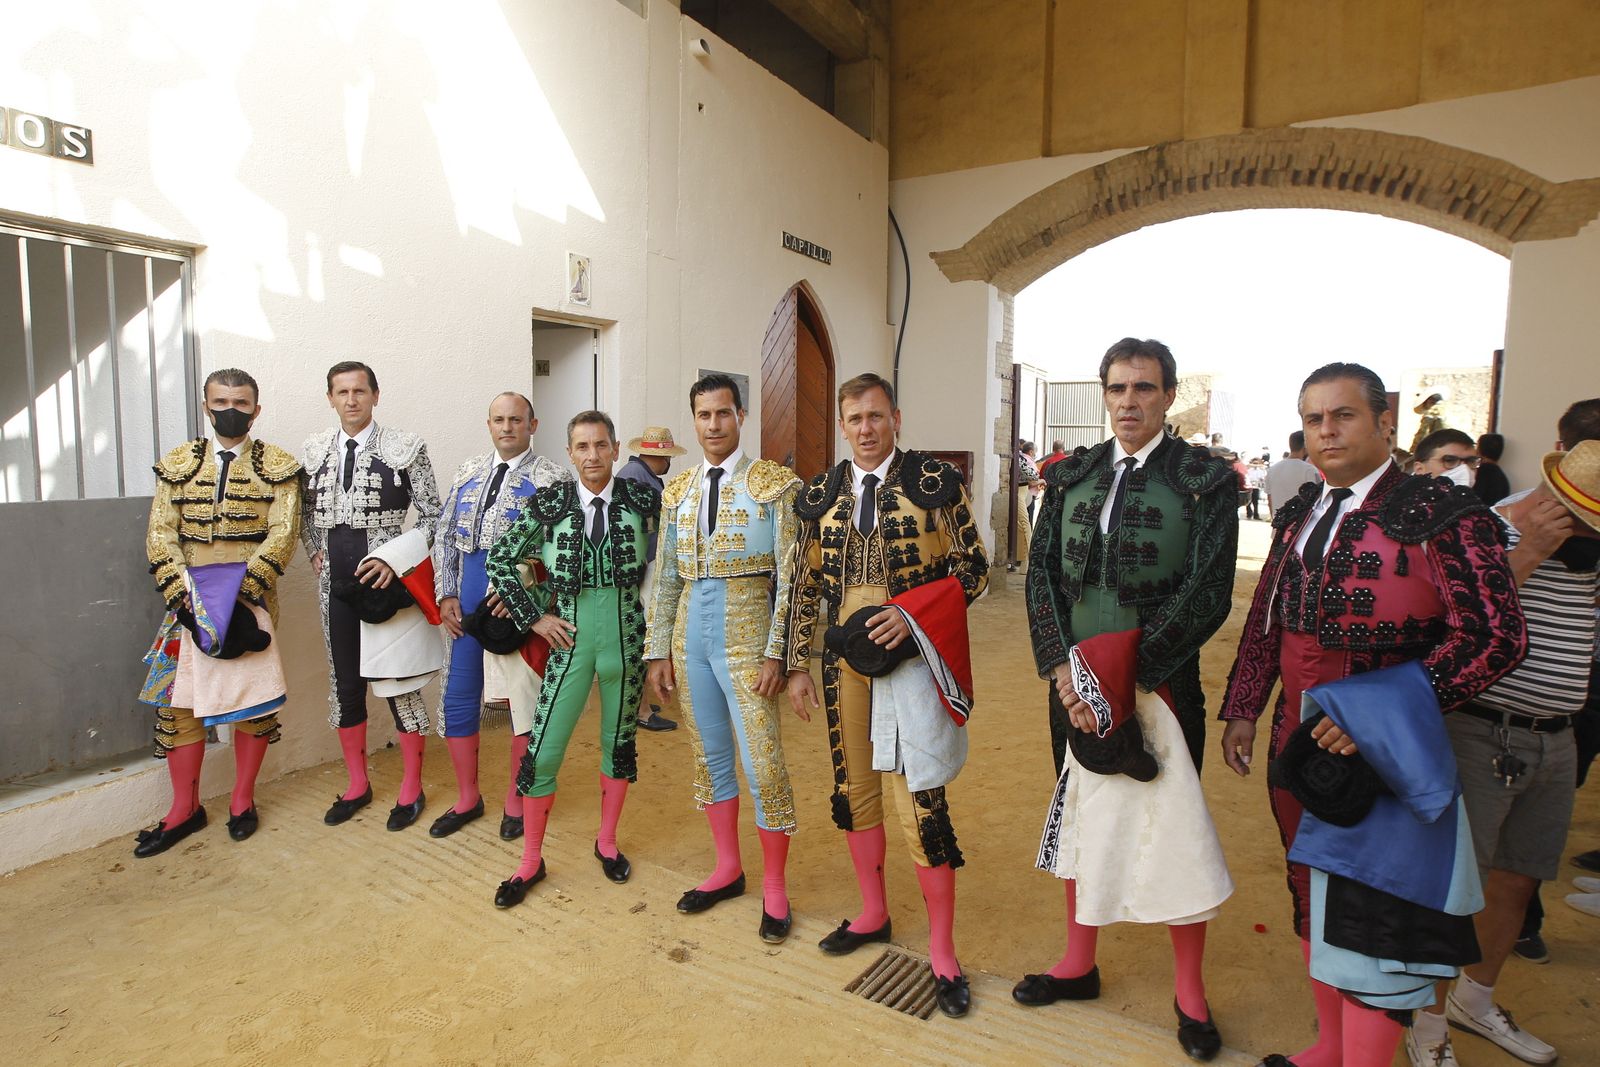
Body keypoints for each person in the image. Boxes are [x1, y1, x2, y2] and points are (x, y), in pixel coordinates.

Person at [1219, 362, 1526, 1067]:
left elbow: (1495, 634)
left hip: (1385, 757)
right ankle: (1331, 1046)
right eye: (1314, 417)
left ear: (1385, 422)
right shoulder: (1299, 511)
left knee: (1376, 915)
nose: (1326, 429)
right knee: (1309, 887)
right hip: (1296, 742)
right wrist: (1243, 707)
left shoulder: (1442, 511)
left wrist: (1380, 718)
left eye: (1343, 414)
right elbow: (1270, 621)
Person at [1018, 337, 1239, 1060]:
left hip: (1162, 683)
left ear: (1170, 395)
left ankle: (1190, 992)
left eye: (1144, 388)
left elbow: (1207, 593)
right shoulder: (1071, 473)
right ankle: (1079, 961)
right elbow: (1042, 578)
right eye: (1117, 389)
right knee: (1080, 816)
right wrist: (1063, 672)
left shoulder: (1206, 479)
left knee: (1173, 829)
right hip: (1073, 686)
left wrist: (1121, 677)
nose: (1129, 402)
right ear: (1105, 393)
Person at [786, 372, 989, 1018]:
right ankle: (873, 911)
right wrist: (793, 663)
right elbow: (801, 586)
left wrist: (913, 615)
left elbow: (973, 569)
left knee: (921, 799)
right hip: (843, 662)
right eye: (855, 418)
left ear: (895, 416)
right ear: (842, 424)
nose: (866, 428)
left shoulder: (934, 484)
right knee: (855, 790)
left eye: (876, 415)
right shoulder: (819, 496)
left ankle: (942, 951)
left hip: (912, 661)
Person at [1407, 415, 1600, 1067]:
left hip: (1557, 738)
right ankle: (1427, 1025)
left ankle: (1475, 1000)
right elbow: (1448, 622)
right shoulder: (1496, 523)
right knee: (1454, 887)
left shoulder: (1594, 547)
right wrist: (1526, 556)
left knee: (1518, 883)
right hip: (1484, 731)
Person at [645, 374, 804, 943]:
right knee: (710, 758)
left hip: (748, 633)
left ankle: (777, 888)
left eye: (722, 414)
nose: (713, 425)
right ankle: (727, 869)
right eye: (703, 415)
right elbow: (665, 575)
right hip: (690, 635)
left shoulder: (773, 485)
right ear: (694, 420)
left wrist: (778, 652)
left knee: (763, 761)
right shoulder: (679, 489)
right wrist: (657, 648)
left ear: (741, 416)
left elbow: (792, 576)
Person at [483, 410, 658, 908]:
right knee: (543, 749)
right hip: (571, 641)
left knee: (618, 746)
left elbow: (670, 561)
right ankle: (530, 861)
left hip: (626, 643)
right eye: (582, 447)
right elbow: (500, 559)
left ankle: (607, 842)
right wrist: (536, 619)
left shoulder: (643, 500)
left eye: (601, 445)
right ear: (570, 452)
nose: (593, 456)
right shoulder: (551, 503)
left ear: (616, 448)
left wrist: (660, 638)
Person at [135, 368, 302, 856]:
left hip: (250, 600)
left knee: (252, 703)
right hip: (184, 603)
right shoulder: (179, 463)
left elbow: (283, 532)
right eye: (221, 400)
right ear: (206, 407)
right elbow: (160, 530)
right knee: (177, 705)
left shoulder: (279, 465)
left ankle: (241, 801)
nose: (232, 408)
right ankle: (182, 809)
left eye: (242, 401)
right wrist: (181, 589)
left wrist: (238, 591)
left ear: (256, 408)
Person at [301, 361, 442, 830]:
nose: (351, 399)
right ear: (330, 399)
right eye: (342, 392)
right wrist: (314, 551)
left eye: (360, 391)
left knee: (399, 687)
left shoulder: (406, 448)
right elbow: (301, 509)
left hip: (385, 585)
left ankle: (412, 786)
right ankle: (358, 784)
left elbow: (432, 518)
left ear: (375, 395)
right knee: (346, 687)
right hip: (333, 588)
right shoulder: (315, 451)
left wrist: (394, 560)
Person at [428, 392, 569, 840]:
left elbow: (562, 549)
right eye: (499, 420)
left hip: (512, 607)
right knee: (458, 696)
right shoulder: (469, 471)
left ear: (533, 424)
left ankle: (516, 799)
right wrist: (446, 592)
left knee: (519, 705)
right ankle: (468, 797)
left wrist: (526, 593)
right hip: (466, 603)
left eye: (516, 420)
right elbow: (445, 536)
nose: (507, 427)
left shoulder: (551, 477)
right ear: (488, 424)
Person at [618, 425, 685, 733]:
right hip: (643, 567)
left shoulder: (637, 474)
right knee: (644, 635)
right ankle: (640, 709)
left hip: (644, 566)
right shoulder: (636, 477)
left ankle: (641, 702)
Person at [1262, 431, 1320, 519]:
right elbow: (1317, 500)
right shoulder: (1310, 470)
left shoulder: (1272, 470)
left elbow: (1270, 500)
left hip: (1278, 523)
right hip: (1300, 526)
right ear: (1306, 445)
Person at [1414, 427, 1479, 487]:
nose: (1464, 470)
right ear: (1419, 469)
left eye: (1471, 461)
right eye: (1450, 460)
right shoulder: (1404, 497)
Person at [1010, 441, 1039, 572]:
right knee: (1024, 524)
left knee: (1021, 524)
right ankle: (1028, 559)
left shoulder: (1018, 457)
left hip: (1020, 490)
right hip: (1019, 491)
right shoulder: (1019, 458)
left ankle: (1023, 561)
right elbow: (1032, 475)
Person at [1475, 433, 1512, 506]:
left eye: (1477, 445)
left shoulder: (1482, 472)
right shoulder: (1501, 475)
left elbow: (1474, 499)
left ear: (1481, 449)